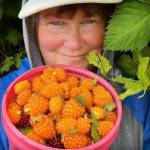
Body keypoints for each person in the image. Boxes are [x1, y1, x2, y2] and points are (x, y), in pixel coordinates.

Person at [0, 0, 150, 150]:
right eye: (57, 23)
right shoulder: (3, 96)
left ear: (108, 26)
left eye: (89, 21)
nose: (74, 44)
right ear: (32, 29)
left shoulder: (139, 102)